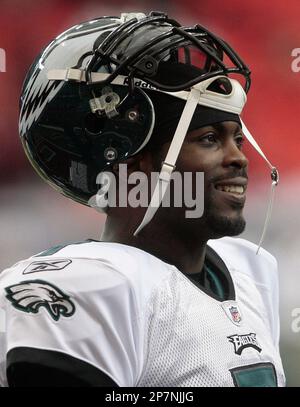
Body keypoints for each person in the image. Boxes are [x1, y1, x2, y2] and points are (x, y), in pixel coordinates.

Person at [0, 11, 285, 387]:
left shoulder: (251, 271)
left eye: (238, 138)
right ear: (132, 160)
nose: (239, 158)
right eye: (209, 139)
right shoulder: (94, 284)